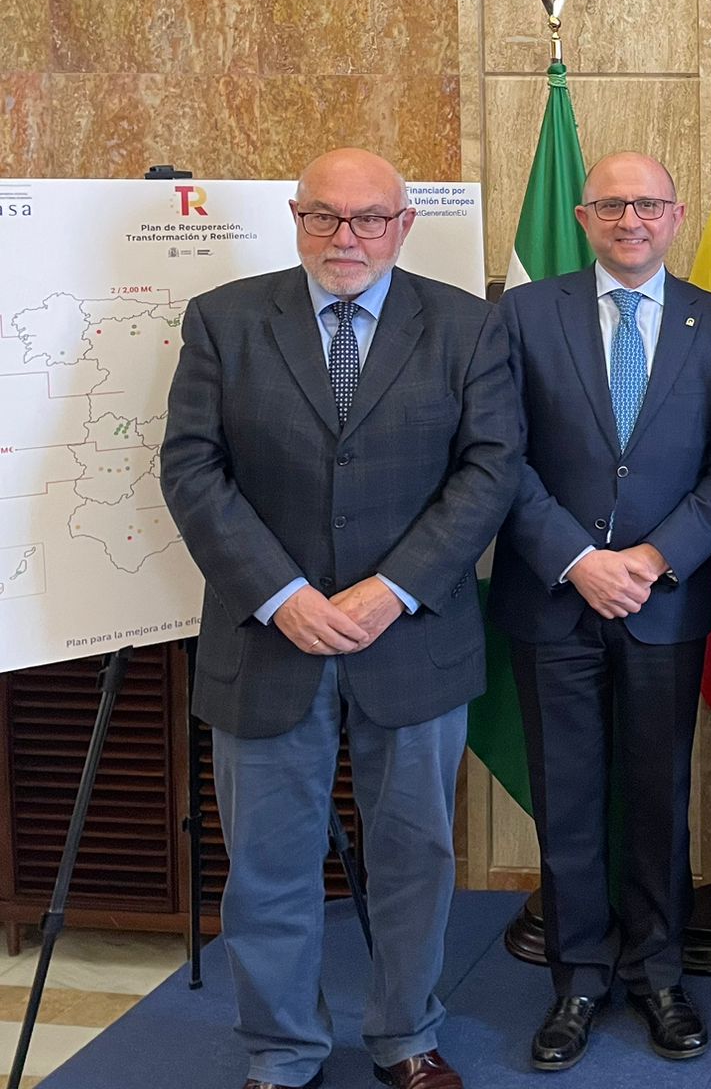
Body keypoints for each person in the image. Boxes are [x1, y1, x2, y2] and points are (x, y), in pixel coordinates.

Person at [160, 149, 521, 1089]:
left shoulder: (468, 327)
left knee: (415, 859)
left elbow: (489, 472)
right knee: (268, 868)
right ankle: (281, 1051)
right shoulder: (225, 320)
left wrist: (391, 588)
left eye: (368, 219)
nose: (345, 237)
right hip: (266, 641)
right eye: (323, 216)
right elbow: (191, 469)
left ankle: (407, 1035)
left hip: (413, 639)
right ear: (295, 218)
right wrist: (282, 595)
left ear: (404, 225)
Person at [490, 151, 711, 1071]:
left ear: (675, 216)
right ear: (582, 216)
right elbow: (500, 455)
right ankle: (578, 981)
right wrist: (577, 560)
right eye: (610, 205)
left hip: (663, 601)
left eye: (647, 204)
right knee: (566, 801)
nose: (630, 220)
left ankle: (658, 975)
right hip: (554, 598)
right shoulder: (524, 313)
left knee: (658, 795)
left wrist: (652, 557)